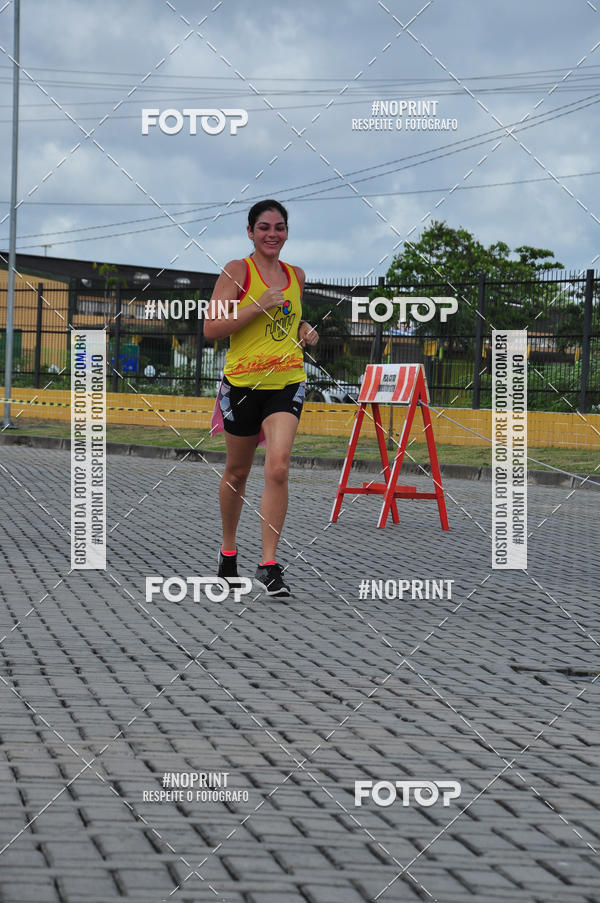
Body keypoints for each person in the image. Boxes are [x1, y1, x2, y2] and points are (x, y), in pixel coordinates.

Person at [204, 200, 318, 597]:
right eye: (265, 227)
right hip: (242, 386)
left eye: (280, 227)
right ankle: (228, 552)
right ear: (250, 232)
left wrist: (304, 328)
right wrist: (256, 305)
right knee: (237, 473)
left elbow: (289, 316)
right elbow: (212, 329)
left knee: (279, 467)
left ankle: (269, 564)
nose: (273, 234)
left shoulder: (296, 275)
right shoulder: (236, 272)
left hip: (286, 381)